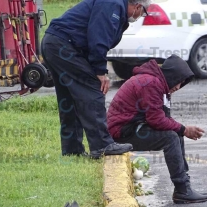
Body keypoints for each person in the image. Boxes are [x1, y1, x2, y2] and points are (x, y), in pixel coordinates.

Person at [40, 0, 151, 158]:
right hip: (63, 45)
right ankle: (102, 145)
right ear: (138, 6)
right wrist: (99, 70)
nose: (140, 16)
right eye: (143, 13)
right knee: (93, 88)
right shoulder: (113, 4)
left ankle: (72, 150)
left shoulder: (116, 7)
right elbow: (99, 35)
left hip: (56, 43)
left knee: (70, 98)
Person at [107, 54, 207, 204]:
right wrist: (184, 129)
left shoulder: (160, 85)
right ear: (172, 76)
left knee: (176, 133)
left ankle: (183, 188)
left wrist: (182, 129)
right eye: (178, 82)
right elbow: (156, 120)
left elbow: (164, 119)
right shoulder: (151, 83)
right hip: (121, 133)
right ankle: (182, 189)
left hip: (132, 127)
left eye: (182, 84)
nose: (178, 87)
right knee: (171, 138)